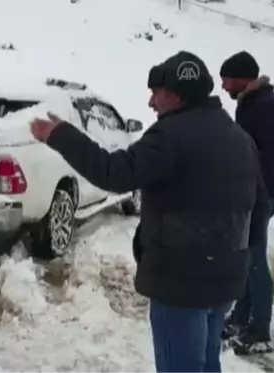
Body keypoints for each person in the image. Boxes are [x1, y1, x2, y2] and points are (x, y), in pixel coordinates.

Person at [30, 51, 267, 373]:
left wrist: (61, 135)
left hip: (180, 280)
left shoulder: (170, 136)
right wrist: (237, 255)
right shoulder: (239, 137)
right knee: (207, 363)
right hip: (226, 279)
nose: (151, 102)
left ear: (176, 95)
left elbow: (114, 173)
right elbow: (260, 207)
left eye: (156, 93)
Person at [219, 50, 274, 355]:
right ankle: (242, 317)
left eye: (227, 79)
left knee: (253, 259)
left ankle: (260, 329)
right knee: (246, 256)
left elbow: (266, 158)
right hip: (253, 193)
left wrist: (254, 193)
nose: (225, 86)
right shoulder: (252, 103)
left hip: (262, 195)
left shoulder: (265, 106)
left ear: (243, 77)